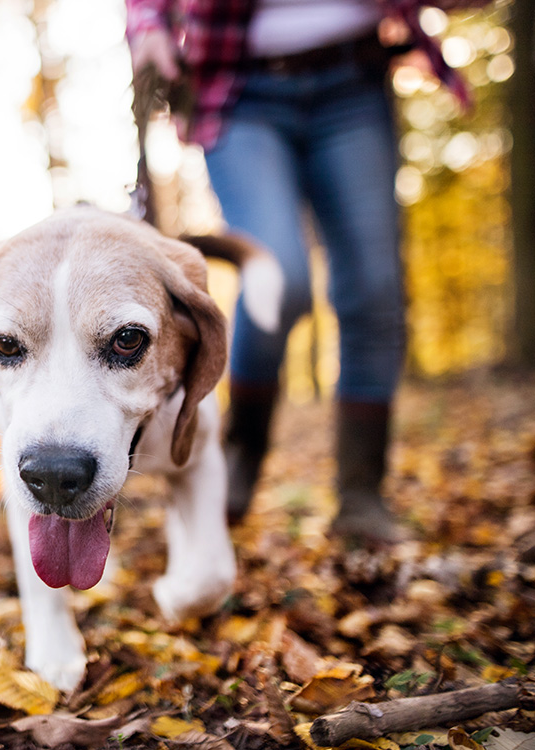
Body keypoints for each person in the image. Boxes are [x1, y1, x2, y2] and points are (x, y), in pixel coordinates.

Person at [125, 0, 476, 544]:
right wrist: (148, 27)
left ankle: (361, 494)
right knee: (278, 278)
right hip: (239, 88)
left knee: (374, 289)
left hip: (355, 79)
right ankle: (241, 451)